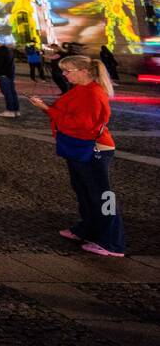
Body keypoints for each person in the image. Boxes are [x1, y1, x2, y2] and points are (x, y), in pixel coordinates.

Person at [28, 55, 125, 257]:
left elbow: (81, 125)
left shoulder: (92, 93)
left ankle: (112, 242)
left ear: (84, 71)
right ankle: (89, 230)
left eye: (67, 70)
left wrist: (47, 109)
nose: (63, 74)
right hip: (80, 147)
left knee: (102, 195)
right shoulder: (82, 89)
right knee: (84, 191)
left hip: (94, 148)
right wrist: (48, 109)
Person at [0, 39, 19, 117]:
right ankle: (16, 110)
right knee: (12, 92)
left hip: (3, 75)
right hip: (10, 74)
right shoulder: (8, 49)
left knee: (7, 93)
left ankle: (10, 111)